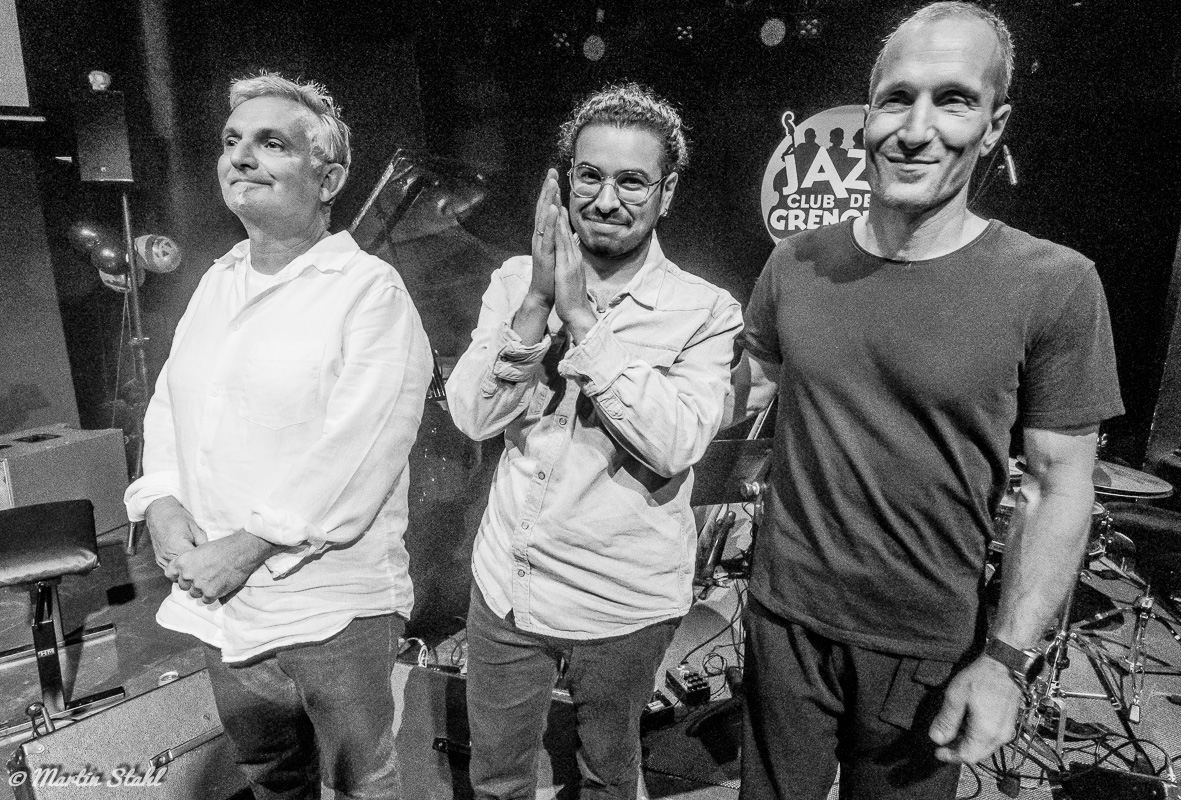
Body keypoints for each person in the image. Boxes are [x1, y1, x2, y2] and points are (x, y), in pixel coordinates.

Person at [728, 4, 1124, 799]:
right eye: (897, 98)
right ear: (867, 115)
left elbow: (1058, 486)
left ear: (994, 124)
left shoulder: (1054, 284)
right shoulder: (796, 262)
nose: (916, 129)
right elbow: (739, 398)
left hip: (924, 648)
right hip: (782, 623)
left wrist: (1006, 660)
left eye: (953, 100)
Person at [124, 73, 432, 799]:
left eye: (271, 143)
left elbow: (357, 453)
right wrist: (161, 501)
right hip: (223, 600)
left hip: (328, 607)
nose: (241, 157)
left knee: (361, 782)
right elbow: (171, 403)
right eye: (232, 141)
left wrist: (248, 547)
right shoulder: (218, 280)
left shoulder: (369, 292)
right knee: (271, 777)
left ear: (329, 179)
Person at [446, 83, 742, 800]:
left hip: (621, 604)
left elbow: (674, 443)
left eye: (632, 181)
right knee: (497, 778)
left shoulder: (703, 310)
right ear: (566, 180)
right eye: (590, 176)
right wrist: (537, 302)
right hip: (509, 586)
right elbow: (473, 416)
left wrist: (580, 318)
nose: (606, 200)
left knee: (608, 775)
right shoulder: (515, 281)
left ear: (667, 193)